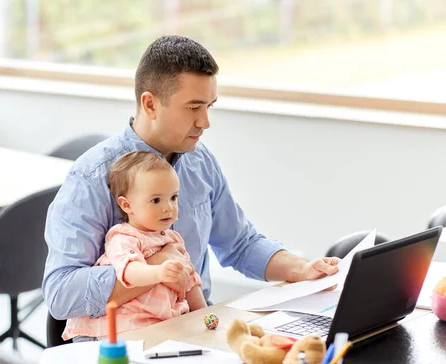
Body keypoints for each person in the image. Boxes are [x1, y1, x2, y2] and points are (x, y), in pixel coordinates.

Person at [43, 35, 340, 322]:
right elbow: (61, 294)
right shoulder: (90, 178)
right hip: (122, 342)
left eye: (209, 107)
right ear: (150, 104)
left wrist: (302, 269)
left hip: (193, 326)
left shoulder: (200, 160)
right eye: (193, 107)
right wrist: (157, 264)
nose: (205, 122)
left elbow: (240, 244)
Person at [62, 151, 207, 341]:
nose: (168, 207)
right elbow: (129, 272)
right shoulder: (123, 237)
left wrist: (206, 316)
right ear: (127, 205)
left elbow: (189, 282)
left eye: (173, 197)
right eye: (156, 200)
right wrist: (158, 273)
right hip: (119, 326)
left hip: (158, 325)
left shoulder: (174, 240)